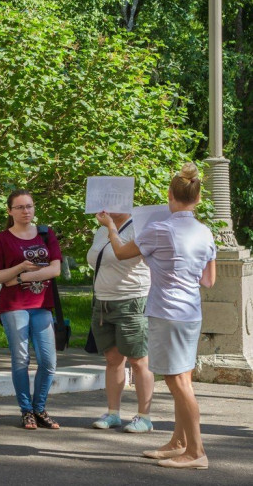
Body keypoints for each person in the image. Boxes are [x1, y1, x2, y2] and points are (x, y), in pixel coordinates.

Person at [97, 162, 216, 469]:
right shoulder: (205, 231)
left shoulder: (160, 229)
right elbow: (209, 280)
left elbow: (121, 253)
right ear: (198, 198)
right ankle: (179, 442)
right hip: (191, 312)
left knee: (178, 384)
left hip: (167, 312)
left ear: (170, 196)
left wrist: (111, 227)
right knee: (183, 379)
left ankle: (196, 452)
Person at [0, 189, 62, 430]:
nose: (25, 211)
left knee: (48, 361)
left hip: (42, 305)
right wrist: (20, 267)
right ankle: (27, 410)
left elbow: (55, 270)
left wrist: (20, 278)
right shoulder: (2, 239)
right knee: (21, 359)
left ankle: (40, 408)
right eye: (19, 207)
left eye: (29, 206)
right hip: (14, 306)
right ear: (10, 211)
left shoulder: (46, 234)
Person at [86, 212, 155, 433]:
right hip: (103, 303)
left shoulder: (139, 227)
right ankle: (113, 413)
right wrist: (108, 226)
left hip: (132, 300)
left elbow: (124, 254)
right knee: (112, 360)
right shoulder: (100, 231)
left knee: (138, 360)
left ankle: (144, 417)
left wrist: (111, 227)